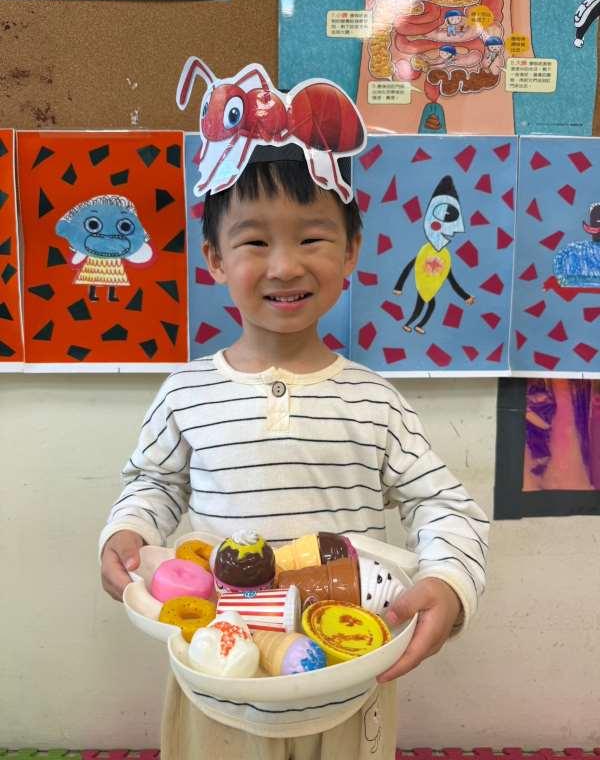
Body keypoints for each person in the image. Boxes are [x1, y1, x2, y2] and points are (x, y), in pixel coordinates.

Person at [99, 142, 489, 758]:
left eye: (311, 239)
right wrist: (128, 531)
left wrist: (448, 580)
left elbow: (443, 504)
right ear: (215, 258)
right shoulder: (185, 392)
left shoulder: (376, 400)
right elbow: (154, 484)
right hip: (219, 680)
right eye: (255, 242)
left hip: (347, 680)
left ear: (351, 251)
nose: (284, 266)